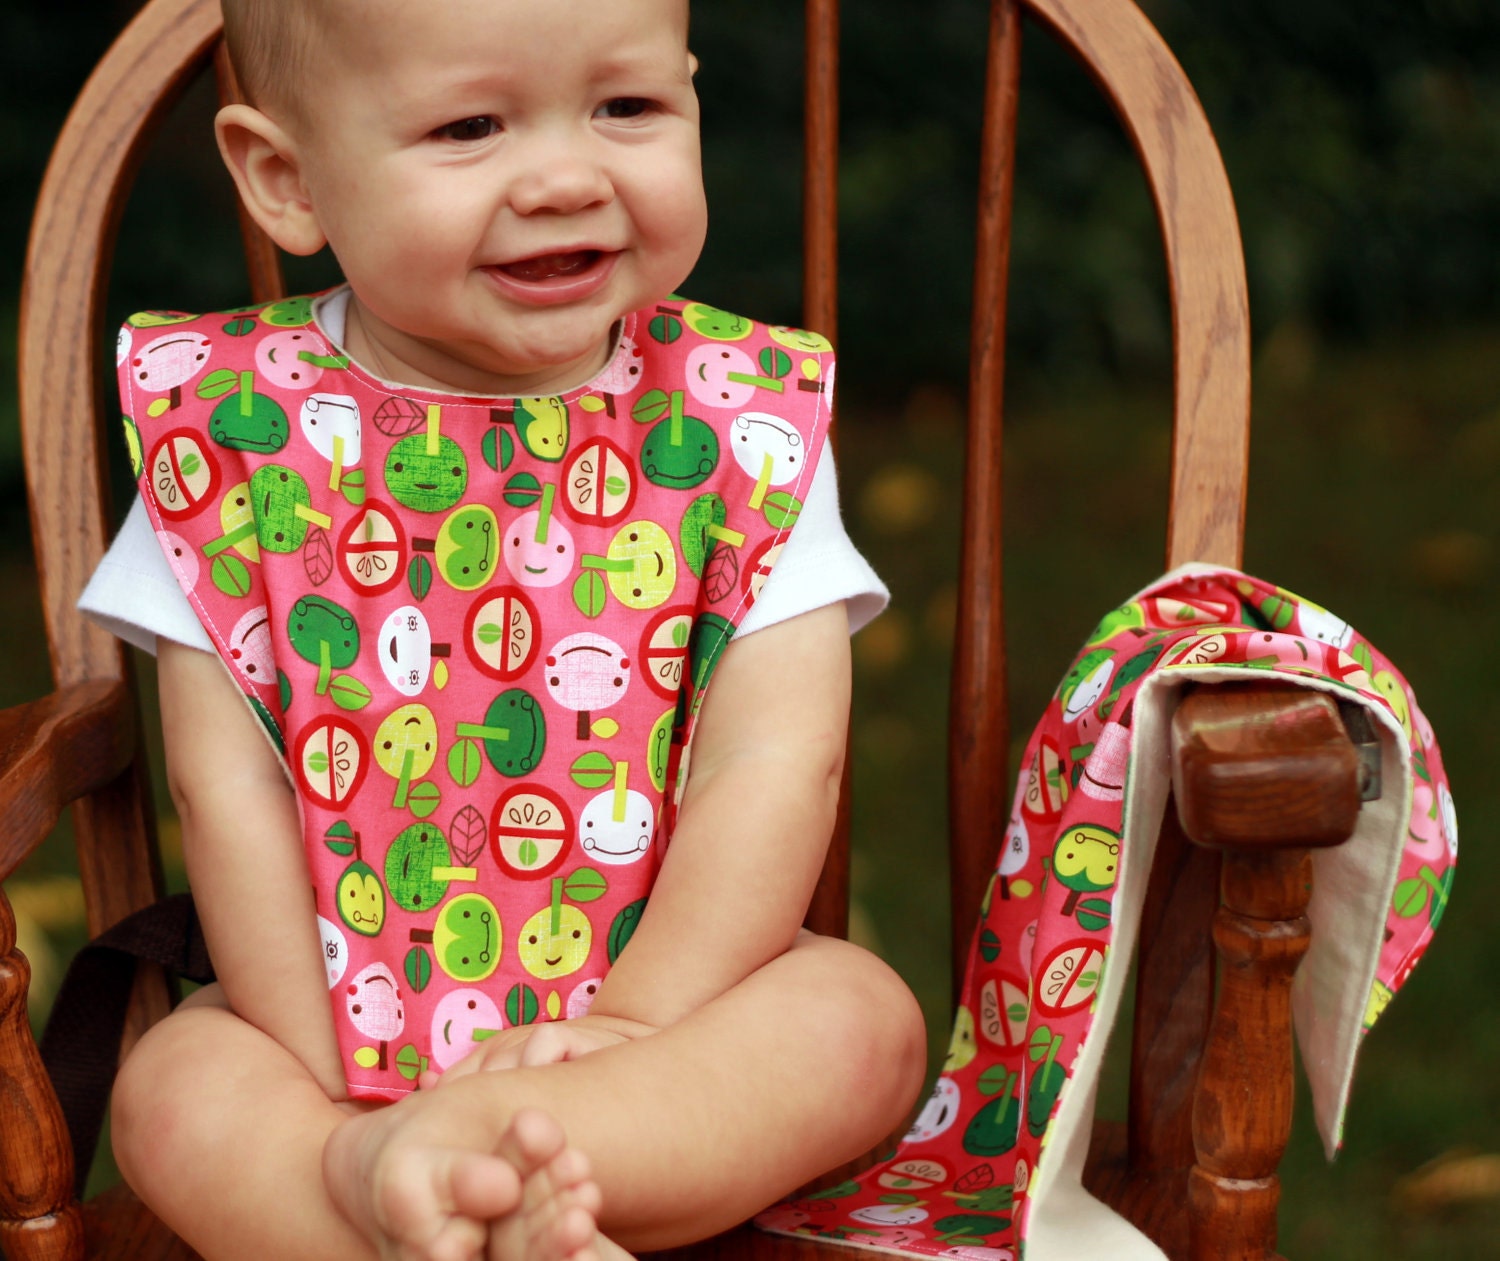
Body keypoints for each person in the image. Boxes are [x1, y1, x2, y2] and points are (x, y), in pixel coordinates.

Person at [78, 1, 928, 1259]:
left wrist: (637, 1031)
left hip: (659, 1026)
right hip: (321, 1017)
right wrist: (321, 1076)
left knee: (861, 1017)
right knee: (174, 1087)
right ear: (286, 178)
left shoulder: (736, 427)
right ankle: (395, 1179)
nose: (567, 177)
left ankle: (456, 1185)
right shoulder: (236, 433)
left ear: (691, 93)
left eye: (627, 108)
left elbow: (776, 762)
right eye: (471, 125)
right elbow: (228, 789)